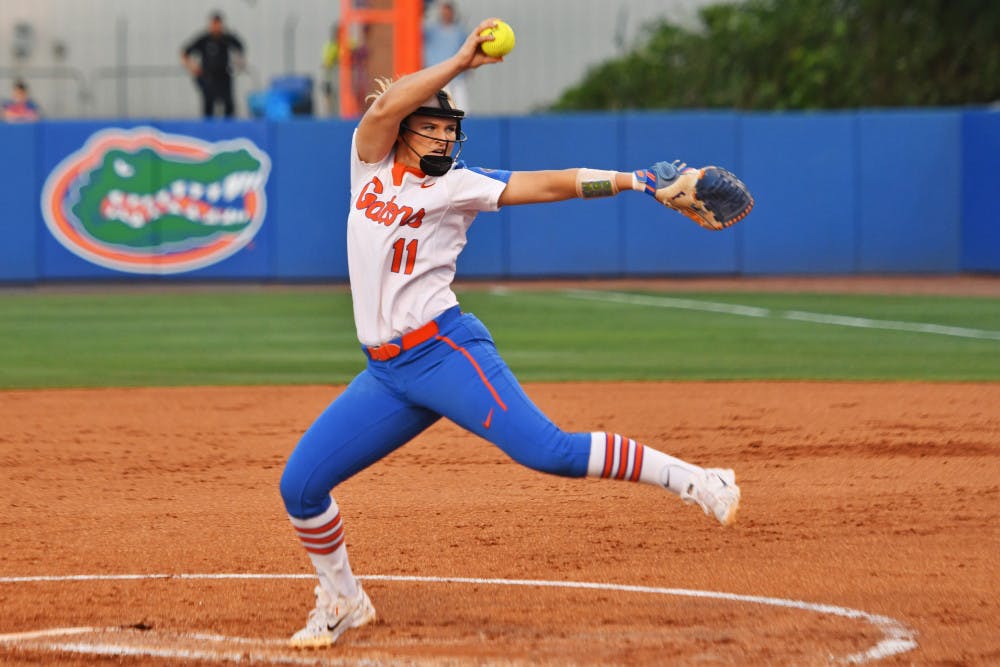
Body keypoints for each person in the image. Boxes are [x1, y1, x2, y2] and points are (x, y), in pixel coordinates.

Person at [279, 18, 747, 649]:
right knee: (301, 486)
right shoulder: (368, 167)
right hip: (386, 375)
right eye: (433, 126)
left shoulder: (457, 186)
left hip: (444, 352)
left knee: (548, 451)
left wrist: (637, 182)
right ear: (403, 130)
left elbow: (553, 183)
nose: (444, 135)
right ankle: (343, 598)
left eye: (451, 128)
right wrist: (461, 61)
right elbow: (388, 104)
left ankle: (697, 479)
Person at [181, 11, 245, 119]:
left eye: (218, 24)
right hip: (208, 78)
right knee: (208, 106)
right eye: (214, 24)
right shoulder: (204, 39)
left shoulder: (227, 38)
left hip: (224, 77)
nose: (216, 26)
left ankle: (228, 129)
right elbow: (184, 53)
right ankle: (208, 130)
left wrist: (239, 64)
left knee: (228, 105)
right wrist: (193, 67)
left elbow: (240, 49)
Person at [422, 2, 469, 111]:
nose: (446, 14)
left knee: (462, 107)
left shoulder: (460, 32)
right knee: (441, 108)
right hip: (438, 75)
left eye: (448, 11)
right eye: (443, 12)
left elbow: (466, 51)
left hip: (457, 76)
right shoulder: (431, 30)